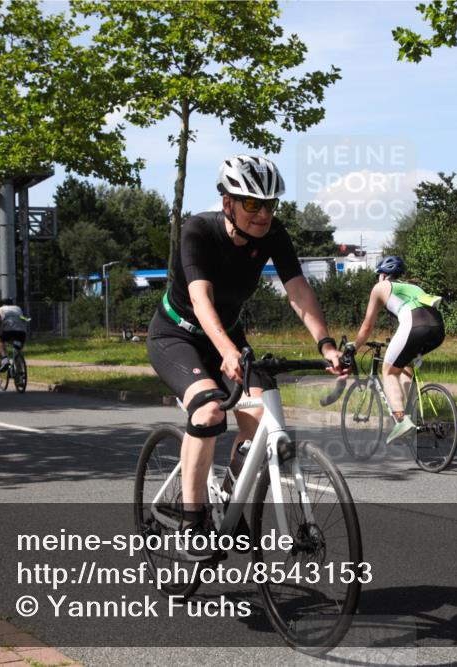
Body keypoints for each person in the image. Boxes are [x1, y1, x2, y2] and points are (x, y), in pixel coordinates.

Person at [147, 155, 347, 561]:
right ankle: (192, 521)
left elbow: (298, 292)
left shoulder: (274, 234)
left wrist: (325, 344)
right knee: (208, 413)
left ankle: (229, 492)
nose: (263, 214)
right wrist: (225, 351)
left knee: (262, 421)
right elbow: (201, 301)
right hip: (177, 334)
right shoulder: (198, 231)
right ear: (228, 204)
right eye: (252, 204)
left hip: (230, 337)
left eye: (270, 205)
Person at [349, 256, 446, 443]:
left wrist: (355, 346)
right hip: (437, 328)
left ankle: (401, 420)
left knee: (388, 371)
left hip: (414, 325)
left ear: (383, 275)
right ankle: (411, 413)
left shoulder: (380, 287)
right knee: (405, 366)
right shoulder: (415, 286)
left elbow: (367, 326)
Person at [0, 297, 28, 369]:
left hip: (8, 331)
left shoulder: (0, 309)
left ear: (2, 304)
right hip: (21, 331)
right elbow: (23, 319)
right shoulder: (18, 308)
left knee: (1, 341)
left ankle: (5, 360)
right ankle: (19, 371)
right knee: (17, 348)